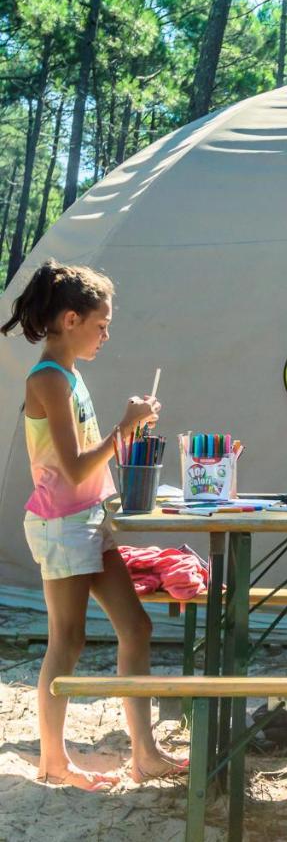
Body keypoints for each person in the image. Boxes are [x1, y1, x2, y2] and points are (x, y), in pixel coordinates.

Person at [3, 260, 185, 789]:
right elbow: (77, 465)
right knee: (68, 639)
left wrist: (130, 433)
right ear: (69, 318)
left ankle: (145, 753)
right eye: (100, 324)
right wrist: (122, 429)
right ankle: (53, 760)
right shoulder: (48, 379)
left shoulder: (71, 375)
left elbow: (88, 466)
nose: (106, 334)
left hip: (89, 519)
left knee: (137, 627)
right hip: (61, 525)